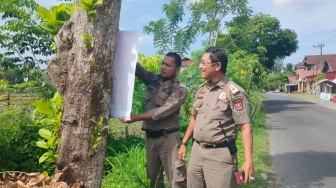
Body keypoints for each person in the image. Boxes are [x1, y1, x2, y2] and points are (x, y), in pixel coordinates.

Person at [178, 47, 254, 187]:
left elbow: (245, 127)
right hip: (197, 152)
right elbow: (194, 118)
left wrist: (248, 160)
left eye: (203, 63)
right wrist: (184, 143)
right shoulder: (201, 90)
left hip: (220, 156)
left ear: (217, 65)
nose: (200, 66)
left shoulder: (234, 92)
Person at [119, 52, 187, 188]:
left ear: (177, 69)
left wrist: (136, 117)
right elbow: (139, 71)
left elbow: (163, 111)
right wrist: (126, 54)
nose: (163, 67)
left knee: (176, 180)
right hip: (151, 139)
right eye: (163, 63)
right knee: (154, 180)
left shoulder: (179, 89)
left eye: (168, 65)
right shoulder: (154, 80)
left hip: (169, 140)